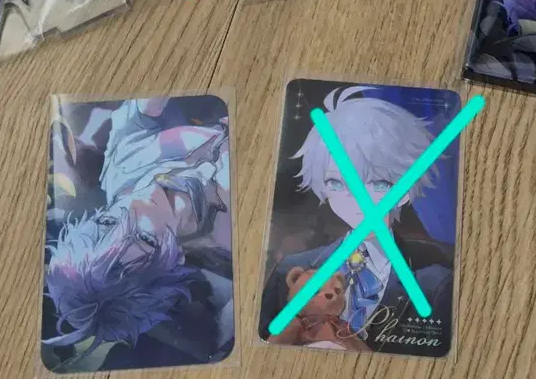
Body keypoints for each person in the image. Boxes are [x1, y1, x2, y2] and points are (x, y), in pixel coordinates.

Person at [259, 86, 453, 352]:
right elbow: (262, 348)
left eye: (378, 183)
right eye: (337, 183)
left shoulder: (435, 283)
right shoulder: (291, 269)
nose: (357, 199)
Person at [43, 98, 233, 366]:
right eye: (145, 238)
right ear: (176, 259)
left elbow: (142, 110)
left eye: (108, 222)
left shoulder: (122, 170)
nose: (136, 207)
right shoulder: (231, 233)